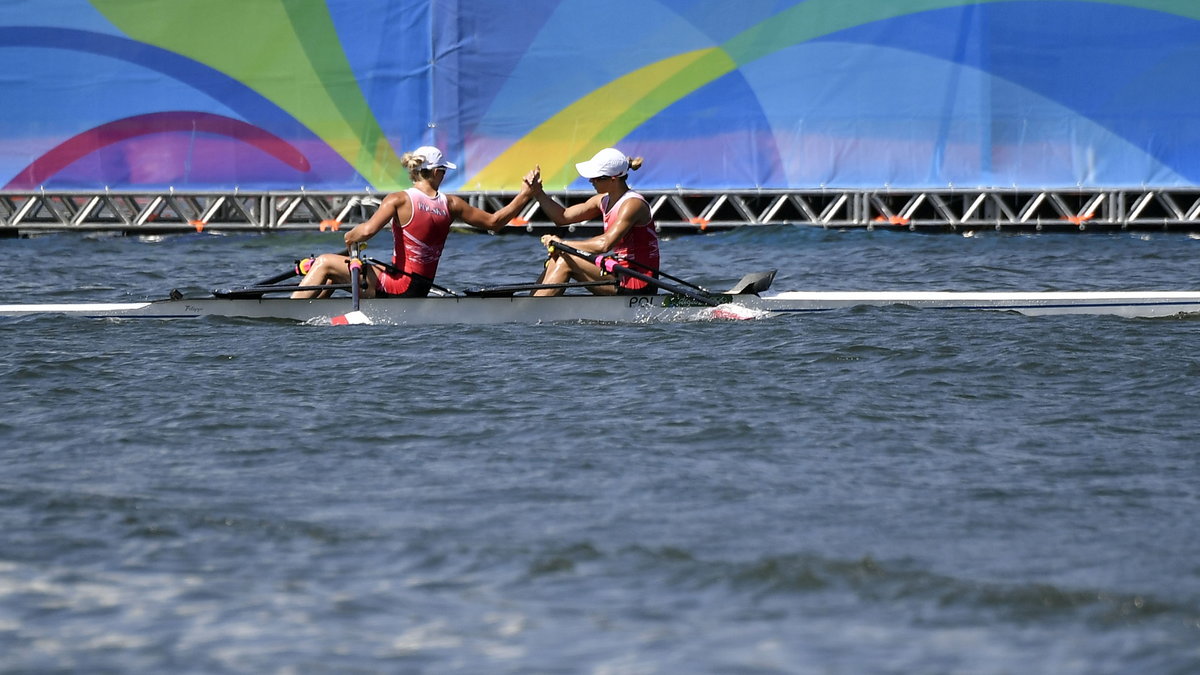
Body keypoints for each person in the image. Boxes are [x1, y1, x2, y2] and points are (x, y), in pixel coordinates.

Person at [292, 146, 535, 299]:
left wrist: (349, 240)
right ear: (436, 172)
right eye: (444, 170)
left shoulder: (397, 200)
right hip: (419, 288)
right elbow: (495, 222)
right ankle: (313, 312)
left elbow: (363, 233)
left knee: (324, 262)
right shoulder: (452, 204)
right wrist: (526, 194)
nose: (445, 175)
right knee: (335, 274)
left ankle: (292, 311)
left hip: (396, 287)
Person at [525, 147, 660, 296]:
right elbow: (562, 217)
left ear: (613, 179)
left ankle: (531, 311)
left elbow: (605, 244)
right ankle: (530, 304)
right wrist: (538, 192)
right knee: (557, 257)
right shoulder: (602, 201)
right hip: (618, 273)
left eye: (595, 177)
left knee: (566, 258)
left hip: (639, 282)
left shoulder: (632, 204)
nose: (590, 181)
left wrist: (562, 244)